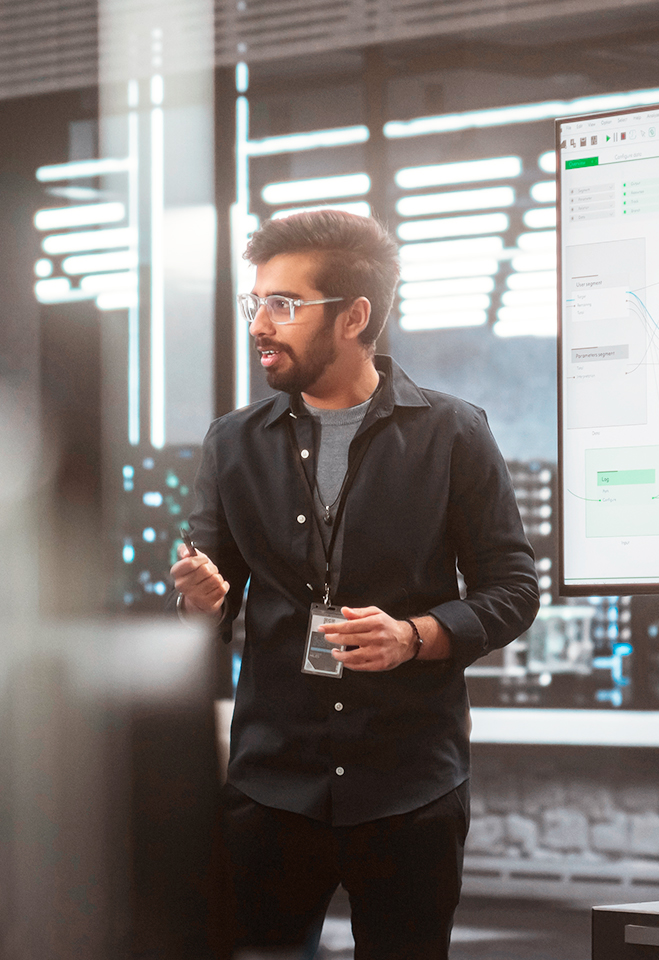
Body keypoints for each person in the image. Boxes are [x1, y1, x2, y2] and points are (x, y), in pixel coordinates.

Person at [172, 210, 539, 958]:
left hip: (410, 787)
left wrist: (415, 637)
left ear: (355, 316)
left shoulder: (454, 433)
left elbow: (513, 587)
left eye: (285, 305)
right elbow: (203, 605)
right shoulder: (233, 443)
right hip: (272, 785)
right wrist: (197, 604)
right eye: (257, 304)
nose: (261, 325)